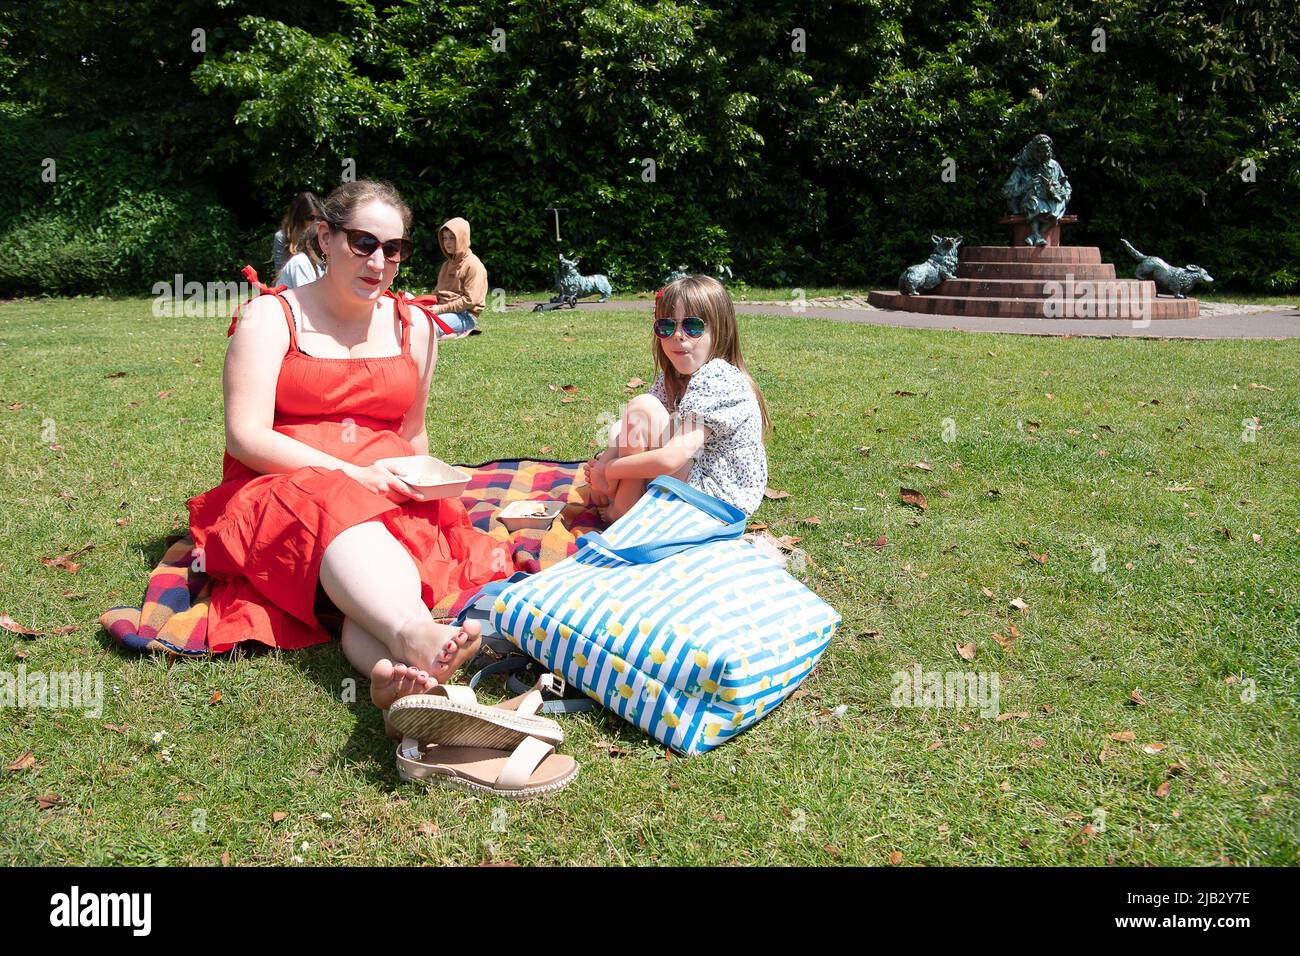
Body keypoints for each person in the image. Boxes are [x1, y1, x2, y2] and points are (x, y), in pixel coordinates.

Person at [187, 179, 510, 717]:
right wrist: (352, 475)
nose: (379, 261)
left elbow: (412, 431)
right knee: (339, 517)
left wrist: (424, 478)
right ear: (324, 238)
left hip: (386, 483)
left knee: (366, 581)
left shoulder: (416, 328)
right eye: (363, 242)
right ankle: (416, 633)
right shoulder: (271, 317)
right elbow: (245, 436)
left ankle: (395, 673)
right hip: (285, 481)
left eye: (394, 248)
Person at [583, 275, 771, 522]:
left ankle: (623, 509)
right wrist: (602, 468)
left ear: (720, 329)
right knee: (621, 428)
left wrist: (609, 470)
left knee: (642, 409)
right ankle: (621, 494)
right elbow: (635, 430)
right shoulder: (674, 376)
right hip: (693, 475)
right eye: (666, 326)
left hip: (717, 499)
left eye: (692, 326)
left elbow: (671, 458)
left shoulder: (719, 377)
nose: (678, 335)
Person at [432, 217, 487, 337]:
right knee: (414, 318)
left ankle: (461, 332)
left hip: (465, 315)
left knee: (429, 328)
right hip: (442, 310)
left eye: (452, 238)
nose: (447, 242)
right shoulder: (447, 264)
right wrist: (425, 304)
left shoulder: (473, 265)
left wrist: (440, 309)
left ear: (462, 238)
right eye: (444, 238)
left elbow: (470, 300)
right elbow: (437, 293)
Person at [272, 191, 325, 276]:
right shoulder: (282, 237)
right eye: (310, 218)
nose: (316, 222)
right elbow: (279, 273)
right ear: (299, 219)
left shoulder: (322, 235)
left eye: (319, 218)